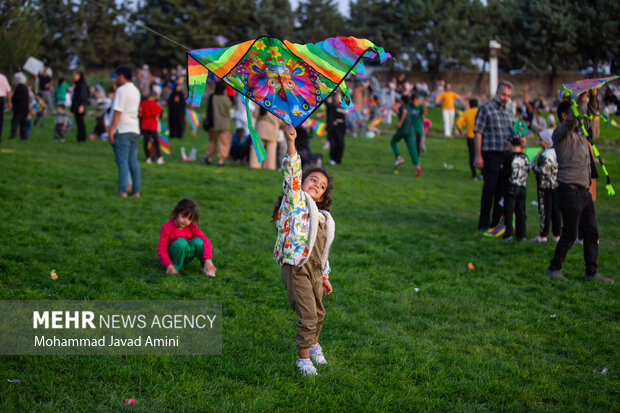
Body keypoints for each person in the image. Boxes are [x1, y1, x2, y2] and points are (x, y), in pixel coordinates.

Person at [272, 124, 335, 377]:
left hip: (315, 269)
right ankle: (303, 360)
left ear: (322, 197)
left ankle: (314, 344)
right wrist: (291, 142)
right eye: (313, 180)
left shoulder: (323, 217)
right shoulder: (295, 201)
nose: (316, 186)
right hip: (297, 267)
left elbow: (323, 250)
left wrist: (325, 275)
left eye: (321, 186)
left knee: (319, 313)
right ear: (302, 183)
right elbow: (292, 171)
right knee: (307, 315)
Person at [546, 90, 613, 283]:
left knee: (591, 233)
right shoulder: (559, 134)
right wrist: (579, 99)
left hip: (584, 192)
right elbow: (573, 118)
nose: (580, 118)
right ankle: (554, 268)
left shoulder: (582, 133)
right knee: (569, 233)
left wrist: (592, 97)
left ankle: (591, 272)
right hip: (569, 191)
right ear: (565, 116)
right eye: (574, 114)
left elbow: (591, 115)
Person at [474, 81, 514, 231]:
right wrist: (478, 156)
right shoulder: (485, 109)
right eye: (503, 94)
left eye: (508, 96)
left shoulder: (508, 112)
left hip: (505, 154)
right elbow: (477, 132)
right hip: (490, 154)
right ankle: (483, 224)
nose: (505, 98)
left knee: (501, 191)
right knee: (489, 190)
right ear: (497, 93)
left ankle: (495, 223)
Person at [157, 199, 217, 276]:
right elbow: (161, 249)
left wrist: (207, 259)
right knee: (181, 242)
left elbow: (206, 241)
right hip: (172, 258)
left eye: (189, 219)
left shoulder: (192, 227)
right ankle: (174, 268)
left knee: (198, 242)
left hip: (185, 255)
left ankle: (207, 268)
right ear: (177, 213)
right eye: (183, 216)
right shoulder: (166, 227)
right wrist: (168, 264)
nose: (186, 221)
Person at [108, 65, 141, 198]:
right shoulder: (136, 90)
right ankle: (136, 191)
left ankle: (122, 190)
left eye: (116, 76)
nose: (116, 79)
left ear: (121, 76)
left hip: (123, 129)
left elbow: (118, 112)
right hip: (134, 128)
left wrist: (111, 129)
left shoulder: (121, 90)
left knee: (122, 161)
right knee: (133, 161)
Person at [531, 128, 560, 243]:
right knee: (556, 210)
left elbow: (543, 170)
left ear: (548, 141)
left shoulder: (546, 155)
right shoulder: (557, 152)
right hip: (556, 186)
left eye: (541, 140)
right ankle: (556, 234)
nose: (539, 142)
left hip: (545, 186)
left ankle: (543, 235)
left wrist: (534, 168)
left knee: (545, 211)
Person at [501, 134, 529, 241]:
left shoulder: (509, 157)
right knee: (521, 212)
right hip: (522, 187)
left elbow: (505, 174)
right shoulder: (525, 157)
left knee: (509, 212)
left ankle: (508, 234)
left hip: (511, 187)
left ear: (510, 143)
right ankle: (522, 235)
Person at [391, 95, 421, 177]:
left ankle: (399, 158)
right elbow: (403, 113)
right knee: (412, 149)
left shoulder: (403, 106)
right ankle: (417, 166)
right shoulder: (410, 107)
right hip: (411, 130)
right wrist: (395, 111)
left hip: (403, 129)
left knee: (393, 141)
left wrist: (400, 122)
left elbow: (404, 112)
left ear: (403, 101)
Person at [204, 81, 232, 166]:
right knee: (223, 142)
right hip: (224, 125)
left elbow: (207, 110)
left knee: (212, 141)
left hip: (213, 123)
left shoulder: (212, 97)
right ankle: (221, 160)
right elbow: (229, 110)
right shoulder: (226, 99)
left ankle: (209, 158)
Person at [456, 98, 479, 179]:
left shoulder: (467, 113)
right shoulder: (480, 112)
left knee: (472, 156)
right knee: (482, 155)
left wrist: (461, 131)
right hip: (480, 137)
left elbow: (458, 122)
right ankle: (483, 173)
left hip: (470, 137)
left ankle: (474, 175)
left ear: (469, 104)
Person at [140, 91, 164, 164]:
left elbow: (140, 114)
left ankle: (148, 157)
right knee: (155, 141)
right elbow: (159, 113)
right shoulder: (155, 104)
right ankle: (159, 157)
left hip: (145, 124)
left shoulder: (143, 104)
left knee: (146, 141)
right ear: (153, 96)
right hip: (153, 124)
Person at [325, 92, 347, 165]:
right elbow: (326, 103)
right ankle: (333, 158)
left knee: (340, 144)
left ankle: (338, 159)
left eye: (340, 97)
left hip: (341, 128)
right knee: (333, 144)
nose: (338, 98)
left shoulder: (343, 107)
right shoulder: (331, 106)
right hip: (332, 128)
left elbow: (344, 117)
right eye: (337, 97)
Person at [71, 70, 89, 142]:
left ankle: (82, 137)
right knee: (78, 122)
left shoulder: (81, 85)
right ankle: (80, 136)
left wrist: (82, 105)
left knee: (80, 122)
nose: (74, 77)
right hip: (77, 105)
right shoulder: (78, 84)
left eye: (75, 75)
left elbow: (83, 95)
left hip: (80, 105)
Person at [10, 75, 30, 141]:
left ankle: (13, 135)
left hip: (18, 108)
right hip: (25, 108)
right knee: (23, 123)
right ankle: (24, 136)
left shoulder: (18, 88)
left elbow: (16, 98)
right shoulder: (26, 88)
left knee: (15, 122)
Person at [0, 71, 12, 143]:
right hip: (1, 99)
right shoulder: (3, 77)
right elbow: (8, 91)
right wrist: (9, 102)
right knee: (0, 119)